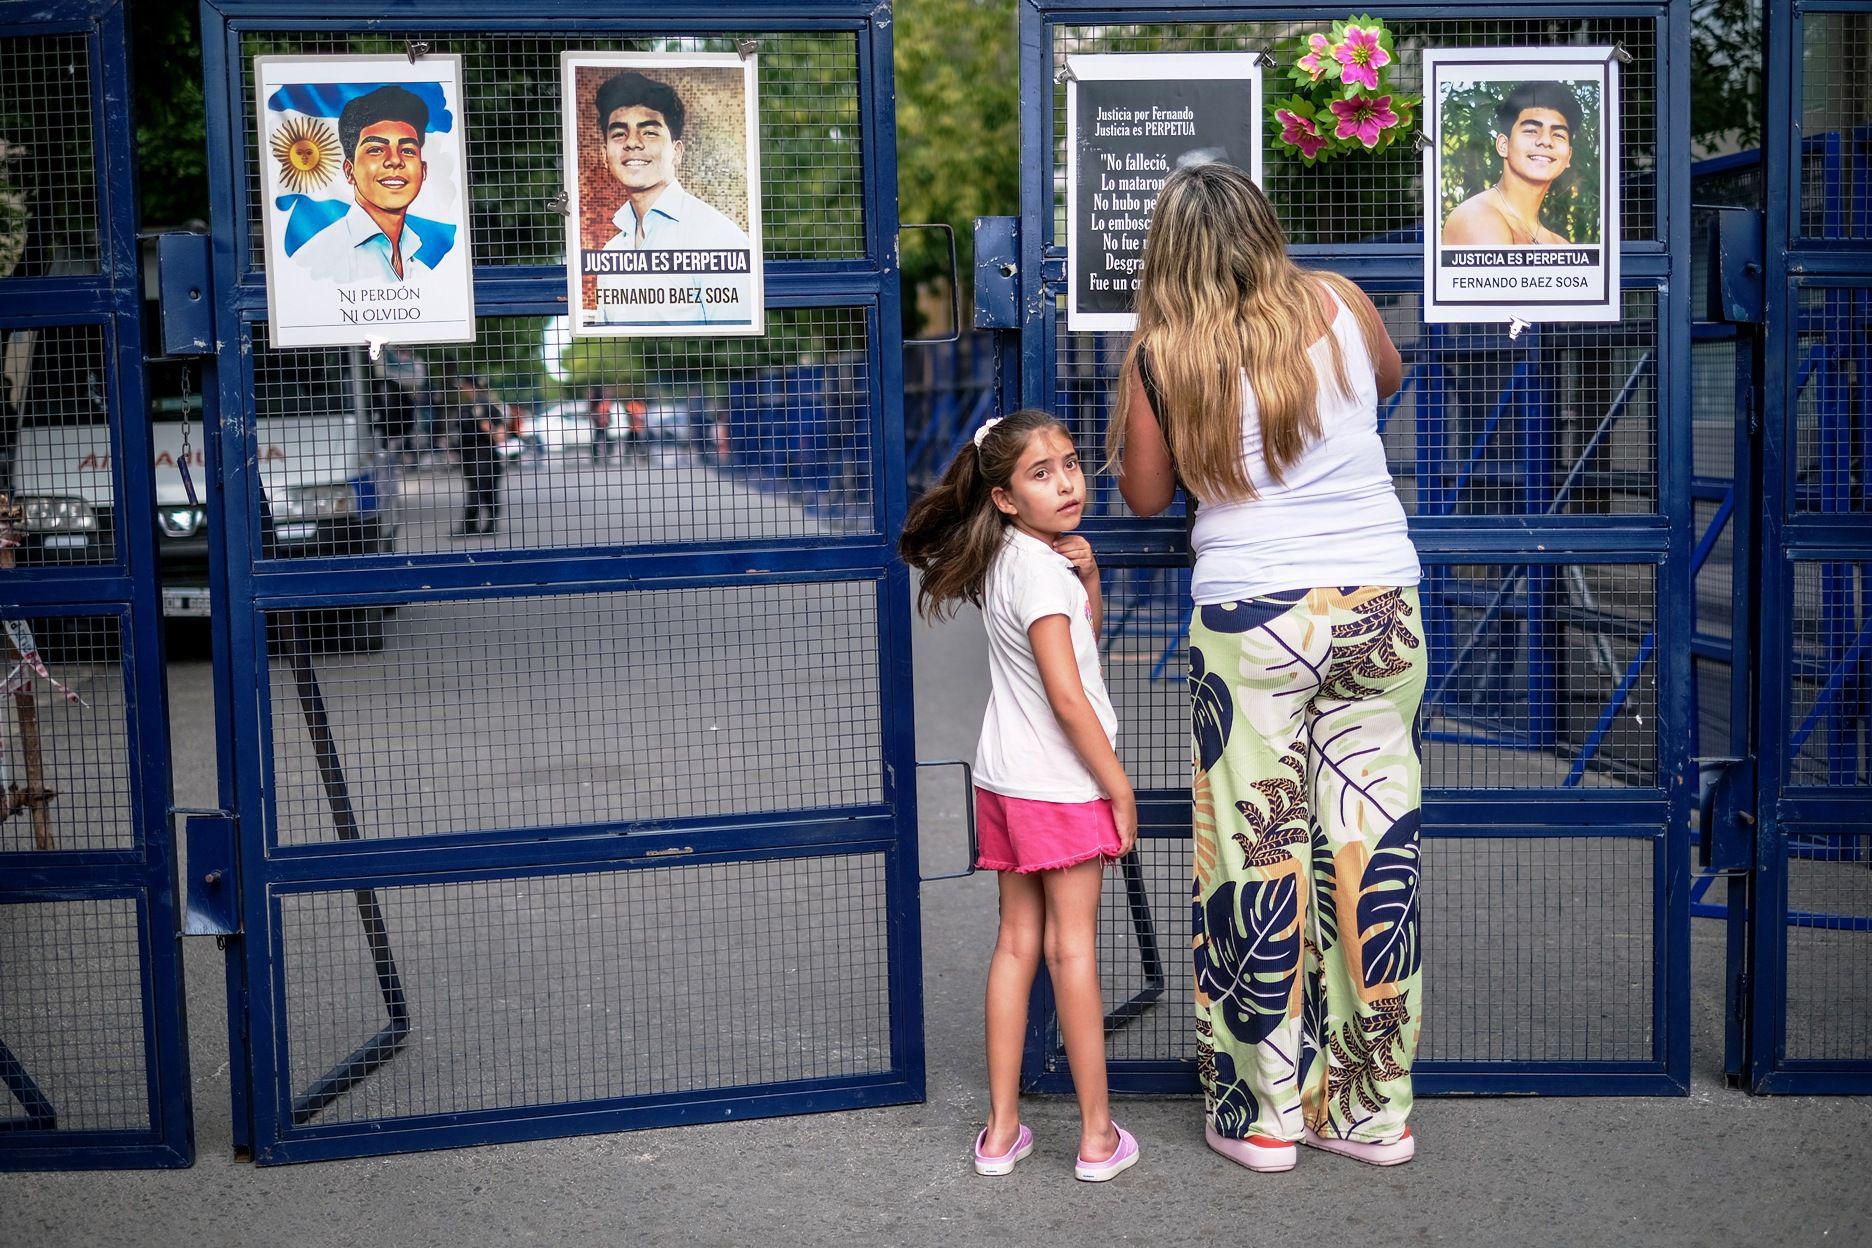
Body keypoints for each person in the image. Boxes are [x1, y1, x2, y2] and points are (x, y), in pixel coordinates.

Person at [1108, 162, 1425, 1171]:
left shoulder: (1163, 354)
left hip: (1253, 621)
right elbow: (1387, 382)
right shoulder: (1338, 299)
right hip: (1380, 603)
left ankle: (1265, 1117)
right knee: (1374, 855)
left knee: (1258, 860)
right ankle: (1373, 1116)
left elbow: (1148, 499)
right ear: (1264, 228)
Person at [898, 408, 1142, 1184]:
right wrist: (1119, 789)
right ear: (1004, 496)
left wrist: (1091, 578)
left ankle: (1001, 1132)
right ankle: (1097, 1138)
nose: (1067, 481)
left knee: (1015, 947)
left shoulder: (1012, 555)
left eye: (1070, 464)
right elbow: (1070, 697)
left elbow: (1074, 645)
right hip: (1060, 788)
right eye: (1042, 473)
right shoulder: (1038, 571)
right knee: (1073, 953)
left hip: (1004, 782)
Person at [589, 70, 754, 325]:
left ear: (676, 152)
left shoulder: (718, 238)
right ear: (604, 153)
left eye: (650, 132)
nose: (632, 143)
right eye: (619, 133)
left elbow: (736, 349)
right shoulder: (612, 252)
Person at [292, 85, 457, 284]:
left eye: (407, 150)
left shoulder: (422, 271)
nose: (395, 160)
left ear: (423, 171)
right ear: (349, 170)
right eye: (376, 150)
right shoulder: (316, 263)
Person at [1440, 81, 1583, 246]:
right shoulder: (1476, 217)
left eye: (1558, 135)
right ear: (1503, 145)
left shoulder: (1559, 244)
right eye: (1531, 131)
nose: (1545, 141)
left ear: (1568, 156)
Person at [452, 374, 504, 536]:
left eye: (465, 386)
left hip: (481, 455)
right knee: (487, 490)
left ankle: (469, 525)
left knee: (478, 490)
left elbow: (497, 433)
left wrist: (488, 431)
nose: (462, 390)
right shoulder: (478, 404)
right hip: (477, 455)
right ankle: (488, 525)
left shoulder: (480, 405)